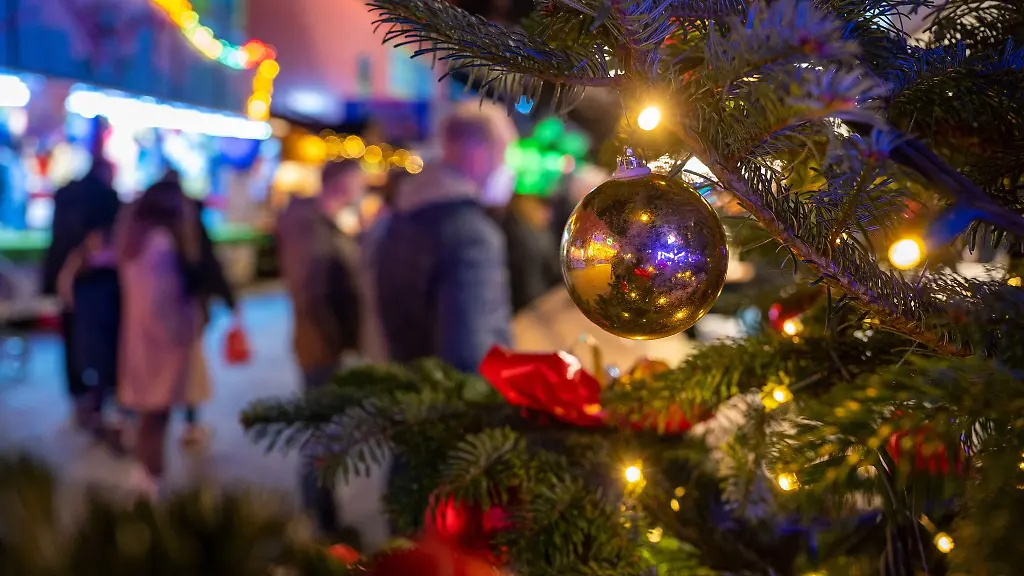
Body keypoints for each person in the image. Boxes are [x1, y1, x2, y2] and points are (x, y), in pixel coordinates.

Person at [375, 106, 514, 373]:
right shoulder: (472, 235)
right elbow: (472, 356)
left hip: (406, 390)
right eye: (502, 152)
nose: (503, 165)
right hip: (450, 405)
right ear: (477, 151)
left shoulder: (401, 216)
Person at [276, 161, 365, 537]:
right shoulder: (309, 227)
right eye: (359, 183)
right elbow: (311, 292)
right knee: (321, 434)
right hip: (321, 348)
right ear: (342, 185)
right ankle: (322, 526)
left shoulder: (322, 224)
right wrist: (338, 341)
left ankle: (324, 519)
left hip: (326, 345)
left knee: (326, 432)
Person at [115, 180, 205, 497]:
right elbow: (163, 301)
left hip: (140, 341)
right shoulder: (161, 245)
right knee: (157, 416)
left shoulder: (133, 241)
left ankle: (148, 476)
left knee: (150, 416)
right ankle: (151, 481)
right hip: (162, 345)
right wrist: (187, 327)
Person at [41, 160, 120, 423]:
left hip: (68, 278)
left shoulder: (66, 194)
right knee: (100, 342)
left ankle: (81, 397)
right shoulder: (105, 199)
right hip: (94, 283)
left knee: (72, 341)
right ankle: (98, 397)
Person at [502, 194, 563, 313]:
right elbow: (531, 278)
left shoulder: (526, 228)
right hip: (531, 303)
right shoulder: (527, 234)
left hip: (533, 299)